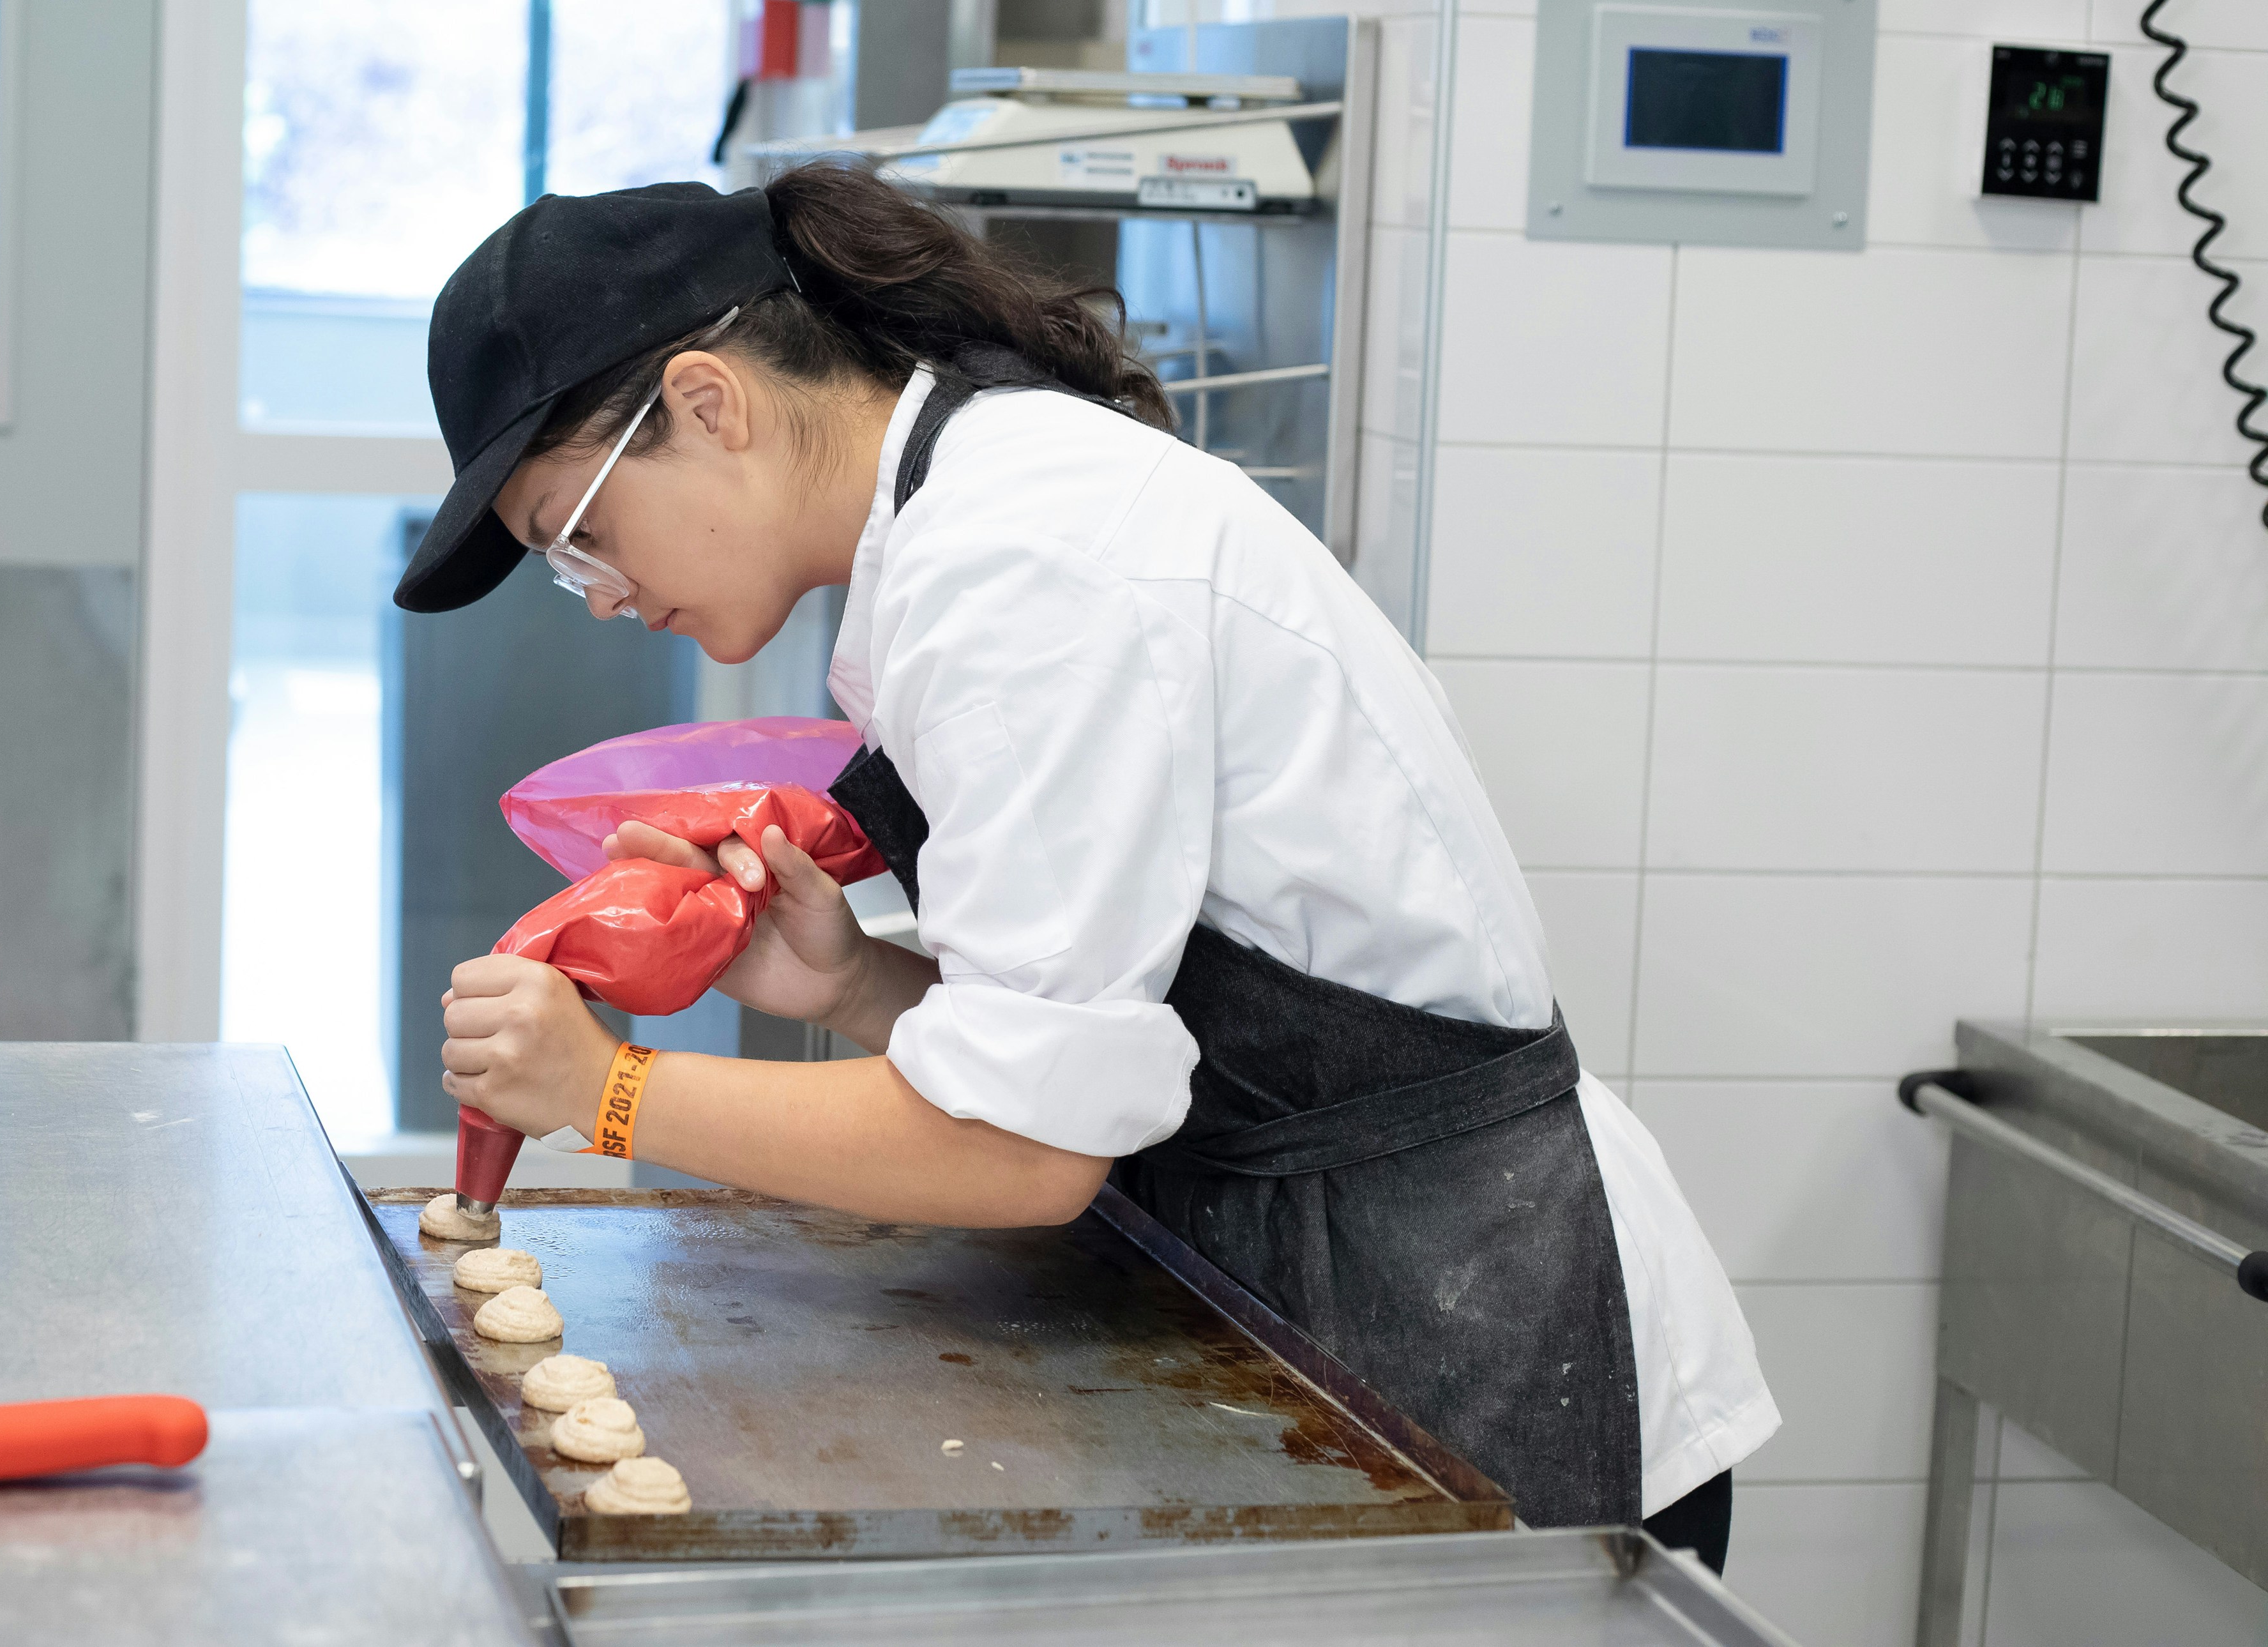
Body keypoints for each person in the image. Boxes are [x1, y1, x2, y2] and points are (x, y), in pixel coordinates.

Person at [396, 166, 1773, 1563]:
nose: (607, 595)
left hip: (1475, 1329)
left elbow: (1024, 1148)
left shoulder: (1021, 567)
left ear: (708, 402)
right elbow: (1116, 1037)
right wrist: (861, 982)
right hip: (1317, 1280)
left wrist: (606, 1087)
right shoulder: (967, 525)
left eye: (575, 537)